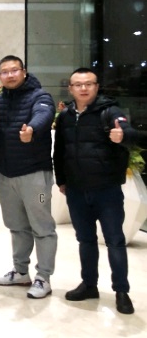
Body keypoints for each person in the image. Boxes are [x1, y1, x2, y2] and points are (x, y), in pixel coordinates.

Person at [54, 68, 136, 315]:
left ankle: (121, 291)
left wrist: (122, 136)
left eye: (89, 83)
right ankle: (89, 285)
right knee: (85, 240)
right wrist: (62, 180)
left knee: (114, 241)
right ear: (70, 88)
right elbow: (60, 151)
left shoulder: (111, 111)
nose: (83, 88)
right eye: (78, 84)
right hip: (77, 190)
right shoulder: (66, 116)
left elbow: (130, 134)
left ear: (97, 87)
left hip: (106, 190)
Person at [0, 55, 57, 299]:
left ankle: (43, 277)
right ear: (0, 76)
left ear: (24, 72)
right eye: (5, 71)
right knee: (17, 227)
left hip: (35, 176)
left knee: (42, 227)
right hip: (5, 175)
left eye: (14, 70)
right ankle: (20, 272)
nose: (10, 75)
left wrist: (32, 129)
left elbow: (44, 115)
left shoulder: (40, 96)